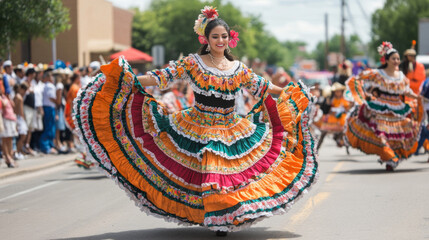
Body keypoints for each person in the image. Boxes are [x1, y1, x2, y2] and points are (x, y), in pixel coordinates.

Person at [73, 6, 318, 234]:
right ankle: (217, 217)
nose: (220, 41)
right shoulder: (193, 63)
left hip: (230, 128)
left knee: (228, 177)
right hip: (197, 126)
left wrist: (287, 91)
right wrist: (132, 80)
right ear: (206, 39)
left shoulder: (238, 68)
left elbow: (262, 86)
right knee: (209, 174)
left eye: (224, 36)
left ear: (229, 38)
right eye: (215, 37)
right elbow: (162, 77)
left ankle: (224, 216)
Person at [345, 42, 423, 171]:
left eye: (398, 58)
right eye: (393, 58)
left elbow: (406, 91)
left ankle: (390, 157)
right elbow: (359, 79)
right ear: (386, 60)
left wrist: (418, 97)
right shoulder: (377, 74)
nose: (396, 61)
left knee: (400, 134)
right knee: (380, 135)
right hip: (379, 109)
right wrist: (366, 95)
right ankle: (389, 156)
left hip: (397, 110)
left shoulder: (401, 77)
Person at [315, 82, 351, 151]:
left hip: (341, 119)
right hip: (332, 118)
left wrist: (342, 110)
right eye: (336, 92)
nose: (337, 93)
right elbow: (326, 110)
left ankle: (343, 144)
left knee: (344, 130)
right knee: (324, 132)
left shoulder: (344, 100)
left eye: (339, 91)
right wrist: (328, 105)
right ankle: (317, 149)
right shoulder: (331, 99)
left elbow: (347, 109)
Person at [13, 82, 29, 159]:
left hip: (20, 118)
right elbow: (15, 108)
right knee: (22, 136)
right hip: (18, 118)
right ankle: (17, 152)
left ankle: (19, 151)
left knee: (23, 135)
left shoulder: (19, 96)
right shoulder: (17, 96)